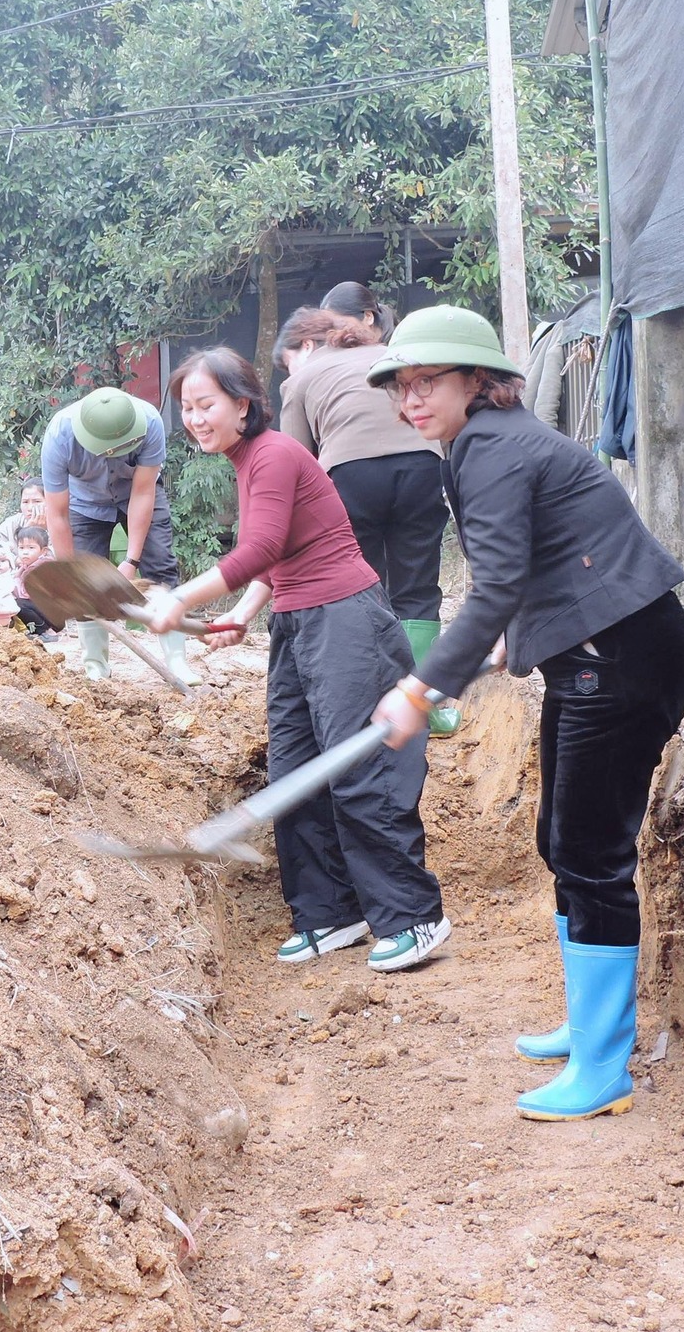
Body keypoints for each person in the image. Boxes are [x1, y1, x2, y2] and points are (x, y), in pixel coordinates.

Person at [365, 306, 684, 1121]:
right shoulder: (485, 442)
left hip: (618, 661)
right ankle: (588, 1026)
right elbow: (542, 561)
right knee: (561, 837)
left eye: (430, 382)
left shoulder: (491, 447)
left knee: (590, 855)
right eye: (403, 386)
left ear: (479, 380)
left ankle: (603, 1067)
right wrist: (516, 640)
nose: (413, 400)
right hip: (597, 651)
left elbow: (499, 584)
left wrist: (420, 688)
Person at [144, 348, 451, 974]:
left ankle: (412, 915)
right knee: (293, 768)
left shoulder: (276, 453)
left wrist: (181, 597)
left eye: (207, 405)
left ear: (243, 405)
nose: (196, 419)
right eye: (187, 409)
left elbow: (259, 547)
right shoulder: (247, 460)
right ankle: (330, 911)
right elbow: (281, 551)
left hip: (345, 619)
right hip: (297, 618)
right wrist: (245, 612)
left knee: (355, 763)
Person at [276, 304, 456, 738]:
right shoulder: (386, 356)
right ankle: (426, 703)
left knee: (361, 589)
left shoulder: (300, 379)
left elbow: (292, 460)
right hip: (422, 467)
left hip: (350, 478)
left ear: (307, 347)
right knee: (417, 585)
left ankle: (368, 701)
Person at [38, 386, 194, 684]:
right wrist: (72, 575)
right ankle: (96, 667)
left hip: (137, 494)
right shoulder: (59, 436)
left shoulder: (149, 422)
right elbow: (57, 514)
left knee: (161, 567)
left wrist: (132, 560)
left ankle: (177, 662)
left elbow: (143, 491)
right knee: (86, 588)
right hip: (85, 505)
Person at [11, 524, 57, 637]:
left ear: (43, 551)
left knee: (19, 604)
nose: (25, 552)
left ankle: (46, 632)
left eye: (31, 548)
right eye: (21, 548)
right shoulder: (27, 566)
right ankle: (34, 630)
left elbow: (28, 594)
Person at [318, 278, 396, 344]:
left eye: (341, 327)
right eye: (329, 331)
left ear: (368, 317)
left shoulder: (398, 351)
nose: (335, 337)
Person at [0, 480, 47, 568]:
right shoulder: (11, 524)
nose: (30, 508)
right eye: (25, 502)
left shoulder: (60, 523)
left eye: (37, 501)